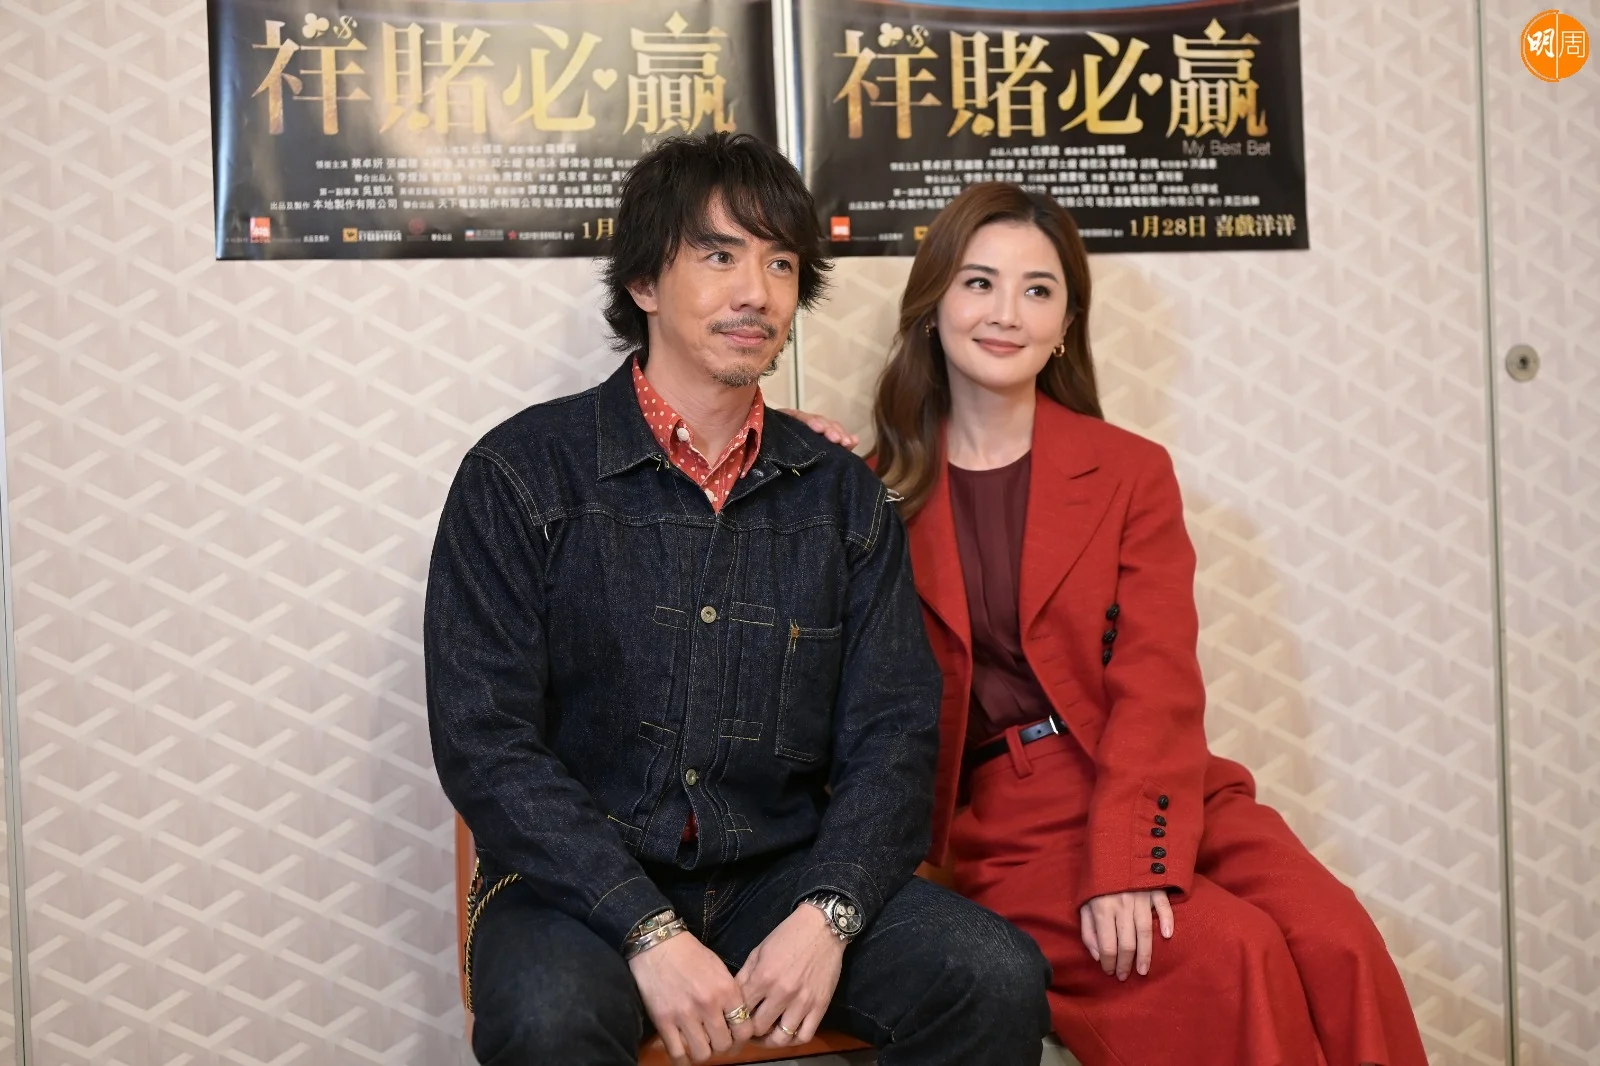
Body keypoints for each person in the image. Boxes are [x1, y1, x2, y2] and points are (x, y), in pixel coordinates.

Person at [424, 135, 1050, 1066]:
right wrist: (643, 927)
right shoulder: (520, 475)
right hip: (574, 883)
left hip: (780, 874)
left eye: (780, 263)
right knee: (550, 1015)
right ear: (644, 282)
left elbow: (893, 735)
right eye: (719, 255)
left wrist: (829, 913)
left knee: (992, 975)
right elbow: (485, 741)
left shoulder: (843, 498)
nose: (755, 291)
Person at [870, 181, 1430, 1066]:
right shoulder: (874, 495)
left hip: (1160, 779)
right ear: (932, 304)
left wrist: (1129, 858)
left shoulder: (1129, 470)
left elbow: (1157, 677)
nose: (1006, 312)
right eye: (979, 283)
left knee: (1339, 939)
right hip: (1012, 819)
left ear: (1066, 325)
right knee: (1228, 952)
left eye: (1037, 290)